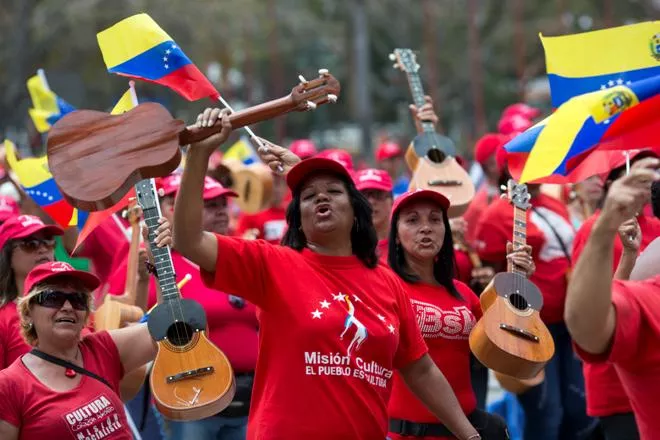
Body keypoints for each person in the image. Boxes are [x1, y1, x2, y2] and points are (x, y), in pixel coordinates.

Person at [166, 107, 482, 440]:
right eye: (308, 195)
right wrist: (199, 154)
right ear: (298, 217)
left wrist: (470, 435)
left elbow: (420, 369)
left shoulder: (388, 282)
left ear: (356, 210)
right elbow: (188, 240)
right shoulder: (271, 264)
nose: (321, 197)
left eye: (333, 191)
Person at [109, 173, 259, 439]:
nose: (221, 211)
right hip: (190, 393)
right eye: (210, 205)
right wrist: (149, 273)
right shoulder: (161, 259)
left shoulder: (244, 254)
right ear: (185, 211)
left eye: (223, 203)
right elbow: (128, 315)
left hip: (251, 395)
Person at [386, 189, 535, 440]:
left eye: (435, 219)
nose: (426, 228)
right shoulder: (386, 289)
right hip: (408, 434)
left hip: (468, 430)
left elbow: (509, 351)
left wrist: (518, 286)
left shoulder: (463, 293)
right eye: (412, 220)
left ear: (446, 230)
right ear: (396, 236)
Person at [476, 178, 597, 440]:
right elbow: (484, 270)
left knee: (580, 409)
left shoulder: (553, 203)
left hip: (570, 320)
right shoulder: (496, 214)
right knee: (545, 412)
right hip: (530, 325)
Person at [0, 261, 157, 439]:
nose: (67, 307)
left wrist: (157, 263)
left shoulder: (101, 348)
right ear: (28, 312)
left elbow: (169, 325)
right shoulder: (9, 385)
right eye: (53, 298)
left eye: (78, 300)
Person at [565, 157, 660, 440]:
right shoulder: (594, 230)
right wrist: (605, 231)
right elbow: (593, 315)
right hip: (613, 370)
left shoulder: (652, 227)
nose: (648, 182)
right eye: (641, 174)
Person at [0, 214, 63, 369]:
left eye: (48, 241)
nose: (42, 249)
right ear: (7, 257)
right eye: (30, 243)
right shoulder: (3, 319)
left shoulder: (76, 306)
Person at [236, 170, 288, 244]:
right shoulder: (250, 212)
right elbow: (241, 241)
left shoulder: (292, 213)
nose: (275, 189)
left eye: (278, 183)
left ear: (286, 187)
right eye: (270, 184)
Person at [354, 168, 394, 260]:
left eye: (378, 194)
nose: (371, 201)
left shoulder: (405, 245)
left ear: (392, 200)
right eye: (363, 195)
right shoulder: (344, 248)